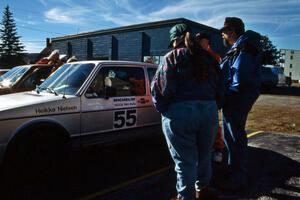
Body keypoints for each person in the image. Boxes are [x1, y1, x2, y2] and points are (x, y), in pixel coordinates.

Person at [151, 23, 224, 200]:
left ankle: (186, 196)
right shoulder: (210, 58)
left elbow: (159, 90)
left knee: (185, 161)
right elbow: (221, 90)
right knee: (205, 154)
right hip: (208, 112)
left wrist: (166, 111)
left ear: (175, 41)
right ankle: (202, 189)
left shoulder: (172, 57)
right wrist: (211, 107)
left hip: (180, 113)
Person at [219, 17, 262, 191]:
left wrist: (226, 96)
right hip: (237, 97)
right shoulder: (240, 47)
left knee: (234, 136)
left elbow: (240, 78)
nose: (222, 34)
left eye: (224, 31)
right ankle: (233, 170)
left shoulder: (244, 48)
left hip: (236, 98)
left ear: (232, 31)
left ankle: (237, 178)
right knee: (231, 136)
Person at [196, 32, 225, 163]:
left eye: (203, 40)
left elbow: (220, 79)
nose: (201, 43)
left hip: (210, 97)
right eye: (198, 40)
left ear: (208, 42)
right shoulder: (193, 56)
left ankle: (218, 149)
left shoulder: (214, 57)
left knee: (213, 125)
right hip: (197, 97)